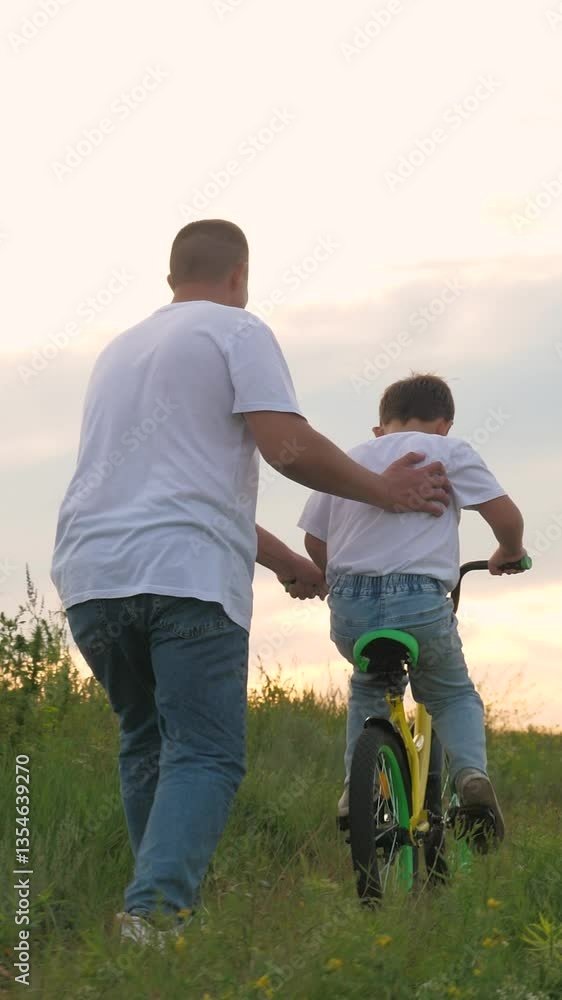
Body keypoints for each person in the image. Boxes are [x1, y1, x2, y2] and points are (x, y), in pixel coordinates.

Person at [50, 222, 450, 946]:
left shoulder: (119, 351)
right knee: (204, 752)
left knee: (147, 743)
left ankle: (152, 922)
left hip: (91, 573)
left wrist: (287, 561)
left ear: (174, 276)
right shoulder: (237, 331)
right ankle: (155, 916)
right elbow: (288, 447)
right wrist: (382, 492)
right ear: (240, 275)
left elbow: (172, 490)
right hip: (186, 581)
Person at [298, 373, 527, 842]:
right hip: (419, 600)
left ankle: (353, 791)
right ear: (444, 424)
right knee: (449, 694)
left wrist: (339, 577)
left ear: (379, 428)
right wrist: (509, 549)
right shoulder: (449, 450)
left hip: (350, 608)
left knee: (368, 686)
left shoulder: (349, 459)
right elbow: (506, 517)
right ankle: (470, 777)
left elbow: (313, 539)